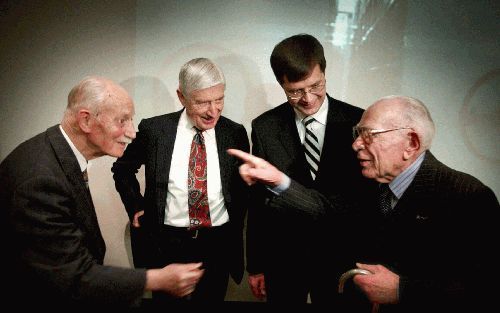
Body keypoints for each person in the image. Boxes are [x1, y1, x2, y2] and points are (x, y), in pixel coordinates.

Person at [229, 95, 498, 312]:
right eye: (358, 133)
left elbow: (487, 289)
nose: (356, 144)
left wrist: (402, 290)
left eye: (369, 135)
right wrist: (278, 180)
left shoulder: (467, 197)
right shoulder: (374, 186)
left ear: (411, 143)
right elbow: (325, 209)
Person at [0, 76, 204, 309]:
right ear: (85, 120)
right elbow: (73, 277)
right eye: (122, 120)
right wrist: (158, 279)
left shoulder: (54, 153)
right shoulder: (40, 182)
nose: (132, 132)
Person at [243, 33, 372, 305]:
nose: (308, 98)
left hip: (344, 255)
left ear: (324, 72)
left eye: (316, 86)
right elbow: (258, 204)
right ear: (281, 83)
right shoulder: (265, 127)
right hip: (285, 257)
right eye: (295, 91)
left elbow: (369, 198)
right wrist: (255, 265)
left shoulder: (358, 121)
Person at [111, 58, 249, 304]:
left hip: (216, 244)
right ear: (182, 97)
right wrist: (136, 206)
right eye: (203, 102)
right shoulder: (155, 130)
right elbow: (122, 169)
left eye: (219, 100)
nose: (213, 110)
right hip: (167, 244)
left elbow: (241, 190)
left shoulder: (235, 133)